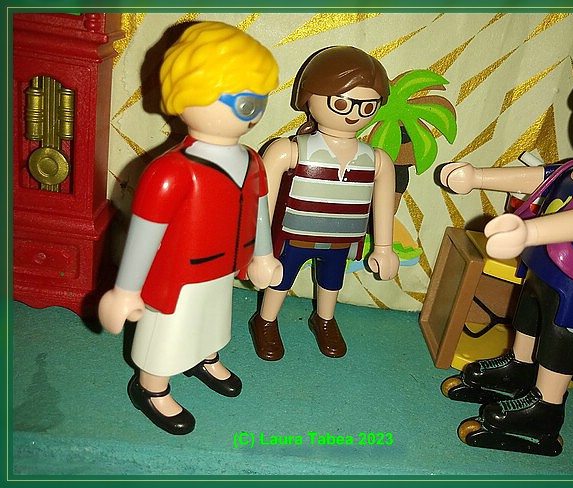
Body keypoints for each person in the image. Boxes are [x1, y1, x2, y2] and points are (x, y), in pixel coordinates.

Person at [438, 71, 573, 456]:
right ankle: (519, 366)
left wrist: (530, 232)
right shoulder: (572, 171)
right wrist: (477, 177)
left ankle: (546, 407)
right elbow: (538, 178)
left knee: (561, 340)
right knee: (528, 318)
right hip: (545, 270)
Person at [98, 21, 282, 435]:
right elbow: (144, 234)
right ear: (186, 94)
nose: (252, 108)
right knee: (166, 332)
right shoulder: (169, 172)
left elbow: (258, 209)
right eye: (241, 98)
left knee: (215, 319)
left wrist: (264, 254)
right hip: (177, 275)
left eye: (258, 98)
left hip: (223, 267)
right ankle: (151, 387)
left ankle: (205, 357)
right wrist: (125, 290)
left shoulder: (252, 160)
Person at [249, 46, 400, 361]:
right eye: (342, 103)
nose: (354, 113)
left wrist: (384, 248)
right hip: (295, 235)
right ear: (309, 97)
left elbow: (383, 206)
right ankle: (265, 320)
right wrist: (260, 252)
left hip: (341, 239)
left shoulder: (376, 159)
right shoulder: (290, 150)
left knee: (332, 281)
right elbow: (262, 199)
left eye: (367, 105)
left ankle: (325, 320)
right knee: (280, 279)